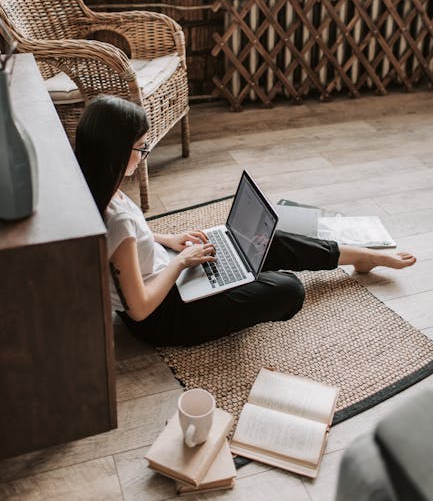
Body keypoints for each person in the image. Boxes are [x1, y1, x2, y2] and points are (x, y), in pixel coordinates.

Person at [75, 95, 417, 347]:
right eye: (141, 147)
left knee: (266, 240)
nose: (144, 153)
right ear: (117, 152)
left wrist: (168, 240)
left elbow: (129, 238)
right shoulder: (114, 216)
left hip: (167, 275)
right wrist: (180, 263)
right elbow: (139, 310)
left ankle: (360, 256)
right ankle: (237, 278)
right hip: (164, 317)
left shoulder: (99, 187)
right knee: (288, 289)